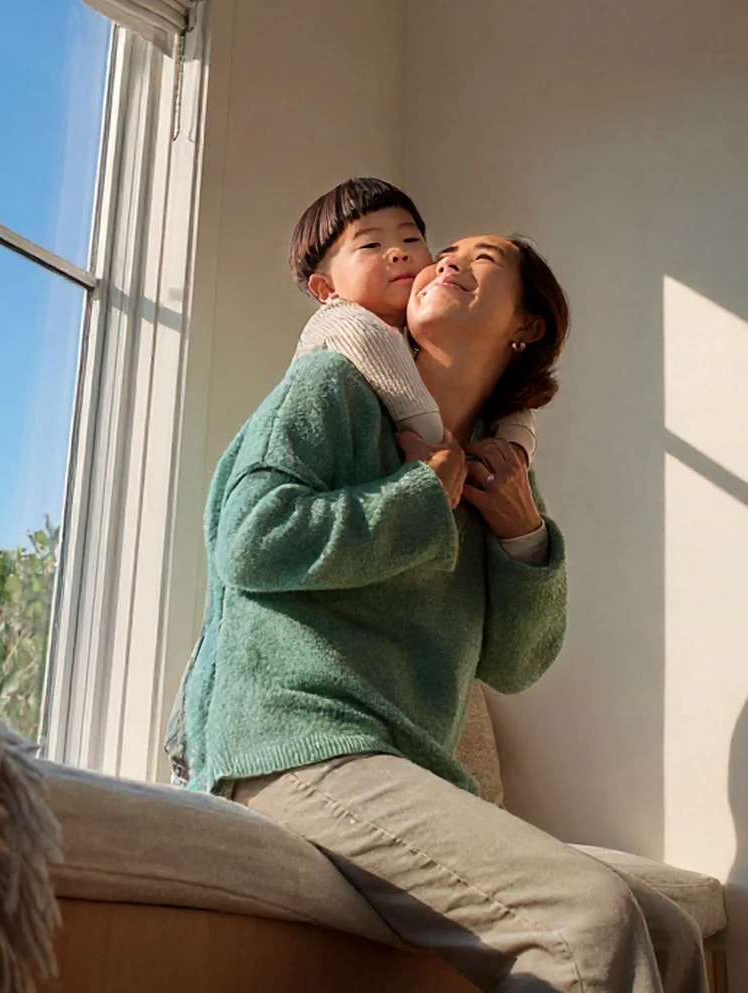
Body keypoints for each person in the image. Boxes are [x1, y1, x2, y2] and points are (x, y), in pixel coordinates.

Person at [166, 212, 706, 990]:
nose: (446, 261)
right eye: (444, 252)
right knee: (591, 918)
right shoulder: (332, 384)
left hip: (402, 763)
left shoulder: (498, 466)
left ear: (526, 325)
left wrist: (522, 535)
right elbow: (249, 539)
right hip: (291, 743)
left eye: (482, 259)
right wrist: (420, 495)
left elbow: (514, 665)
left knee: (671, 930)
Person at [291, 177, 540, 462]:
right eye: (371, 245)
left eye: (411, 240)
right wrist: (434, 443)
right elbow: (371, 341)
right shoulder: (341, 324)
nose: (399, 253)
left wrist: (516, 444)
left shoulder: (409, 348)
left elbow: (509, 403)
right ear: (326, 288)